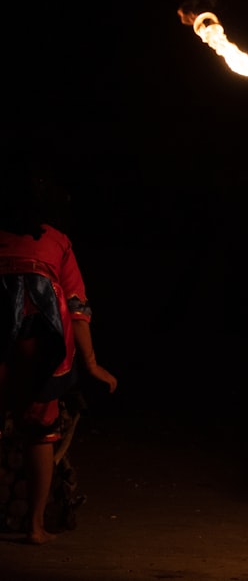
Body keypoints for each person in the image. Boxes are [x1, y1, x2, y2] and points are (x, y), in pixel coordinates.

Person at [0, 154, 118, 545]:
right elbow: (77, 307)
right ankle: (34, 526)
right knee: (41, 434)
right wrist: (91, 363)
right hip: (40, 357)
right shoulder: (56, 241)